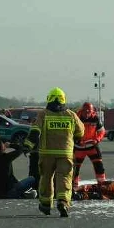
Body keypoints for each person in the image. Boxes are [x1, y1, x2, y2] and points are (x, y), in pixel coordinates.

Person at [24, 87, 86, 217]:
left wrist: (27, 146)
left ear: (49, 99)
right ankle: (63, 202)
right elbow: (81, 132)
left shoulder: (44, 114)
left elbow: (35, 132)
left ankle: (46, 204)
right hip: (65, 153)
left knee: (46, 178)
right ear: (63, 99)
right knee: (64, 177)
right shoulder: (71, 115)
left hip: (47, 154)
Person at [73, 102, 107, 184]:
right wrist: (77, 140)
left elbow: (102, 131)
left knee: (99, 165)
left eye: (89, 112)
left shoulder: (95, 118)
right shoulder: (76, 118)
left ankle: (102, 184)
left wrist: (97, 139)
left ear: (92, 111)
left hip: (92, 146)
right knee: (75, 168)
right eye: (85, 112)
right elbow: (70, 132)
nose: (87, 114)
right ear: (82, 110)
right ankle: (73, 185)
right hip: (79, 147)